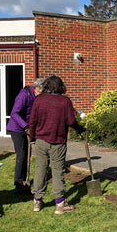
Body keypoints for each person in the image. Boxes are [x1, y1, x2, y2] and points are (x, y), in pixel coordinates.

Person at [28, 75, 85, 214]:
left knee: (40, 169)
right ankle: (60, 204)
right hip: (58, 141)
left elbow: (33, 120)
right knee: (57, 170)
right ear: (60, 86)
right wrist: (81, 129)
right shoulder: (64, 101)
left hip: (41, 140)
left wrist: (33, 136)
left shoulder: (39, 99)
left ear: (47, 86)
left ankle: (37, 201)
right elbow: (71, 121)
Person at [6, 78, 45, 194]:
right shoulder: (23, 95)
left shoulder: (34, 96)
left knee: (27, 154)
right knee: (21, 155)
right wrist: (26, 127)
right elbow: (14, 113)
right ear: (37, 89)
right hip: (16, 128)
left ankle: (24, 179)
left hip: (26, 128)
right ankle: (18, 183)